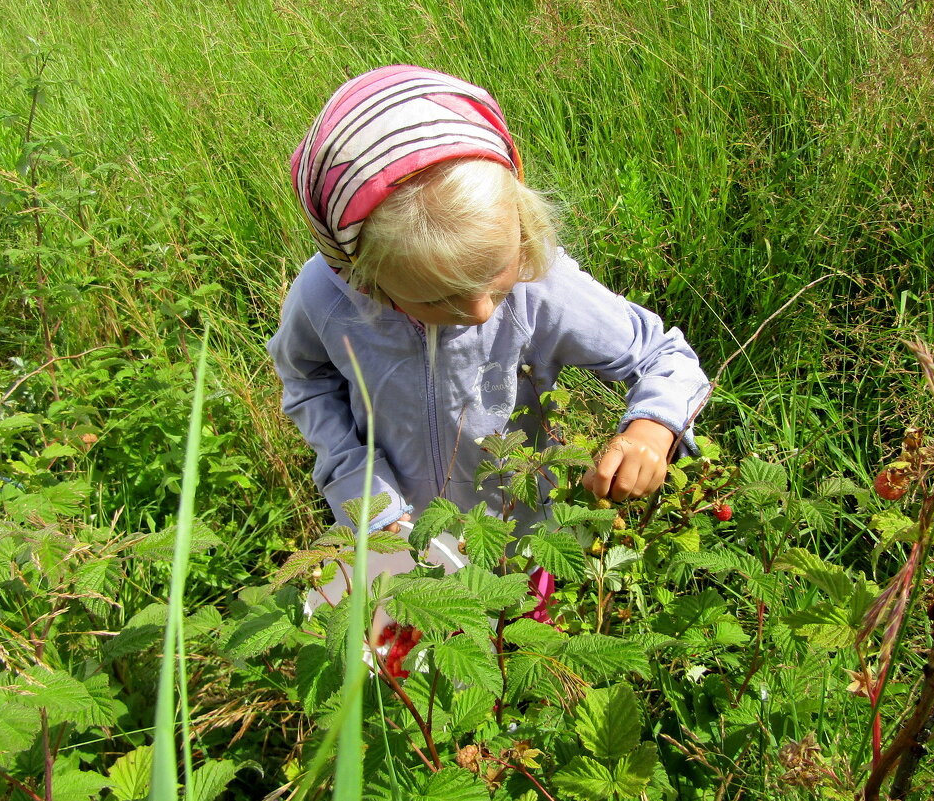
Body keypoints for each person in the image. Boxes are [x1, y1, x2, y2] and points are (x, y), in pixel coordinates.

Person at [267, 65, 710, 543]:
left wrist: (653, 427)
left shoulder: (538, 283)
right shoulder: (325, 296)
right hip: (392, 535)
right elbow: (306, 379)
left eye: (495, 277)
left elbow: (663, 356)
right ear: (364, 276)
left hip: (516, 539)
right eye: (438, 298)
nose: (480, 311)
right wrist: (360, 489)